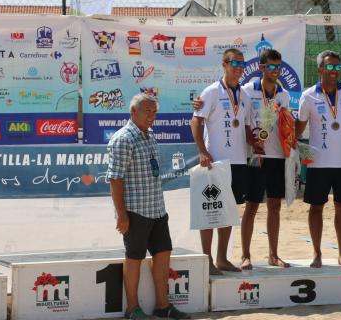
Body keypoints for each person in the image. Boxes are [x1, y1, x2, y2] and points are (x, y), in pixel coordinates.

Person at [106, 93, 189, 319]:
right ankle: (133, 309)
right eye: (146, 111)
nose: (151, 116)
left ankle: (163, 307)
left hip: (157, 209)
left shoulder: (150, 136)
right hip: (135, 211)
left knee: (163, 255)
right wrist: (121, 215)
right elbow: (115, 179)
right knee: (134, 258)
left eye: (154, 112)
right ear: (133, 112)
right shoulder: (123, 139)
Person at [295, 50, 341, 268]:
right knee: (316, 208)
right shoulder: (308, 95)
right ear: (320, 69)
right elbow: (299, 128)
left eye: (338, 67)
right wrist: (288, 137)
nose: (335, 71)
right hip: (318, 163)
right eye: (330, 67)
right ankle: (317, 253)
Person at [191, 48, 251, 275]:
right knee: (210, 210)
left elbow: (244, 126)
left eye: (242, 64)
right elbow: (195, 122)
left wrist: (255, 143)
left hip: (238, 161)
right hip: (215, 162)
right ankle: (207, 259)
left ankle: (222, 258)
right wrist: (203, 151)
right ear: (224, 64)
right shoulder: (211, 91)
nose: (238, 68)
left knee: (228, 211)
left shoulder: (244, 95)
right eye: (234, 63)